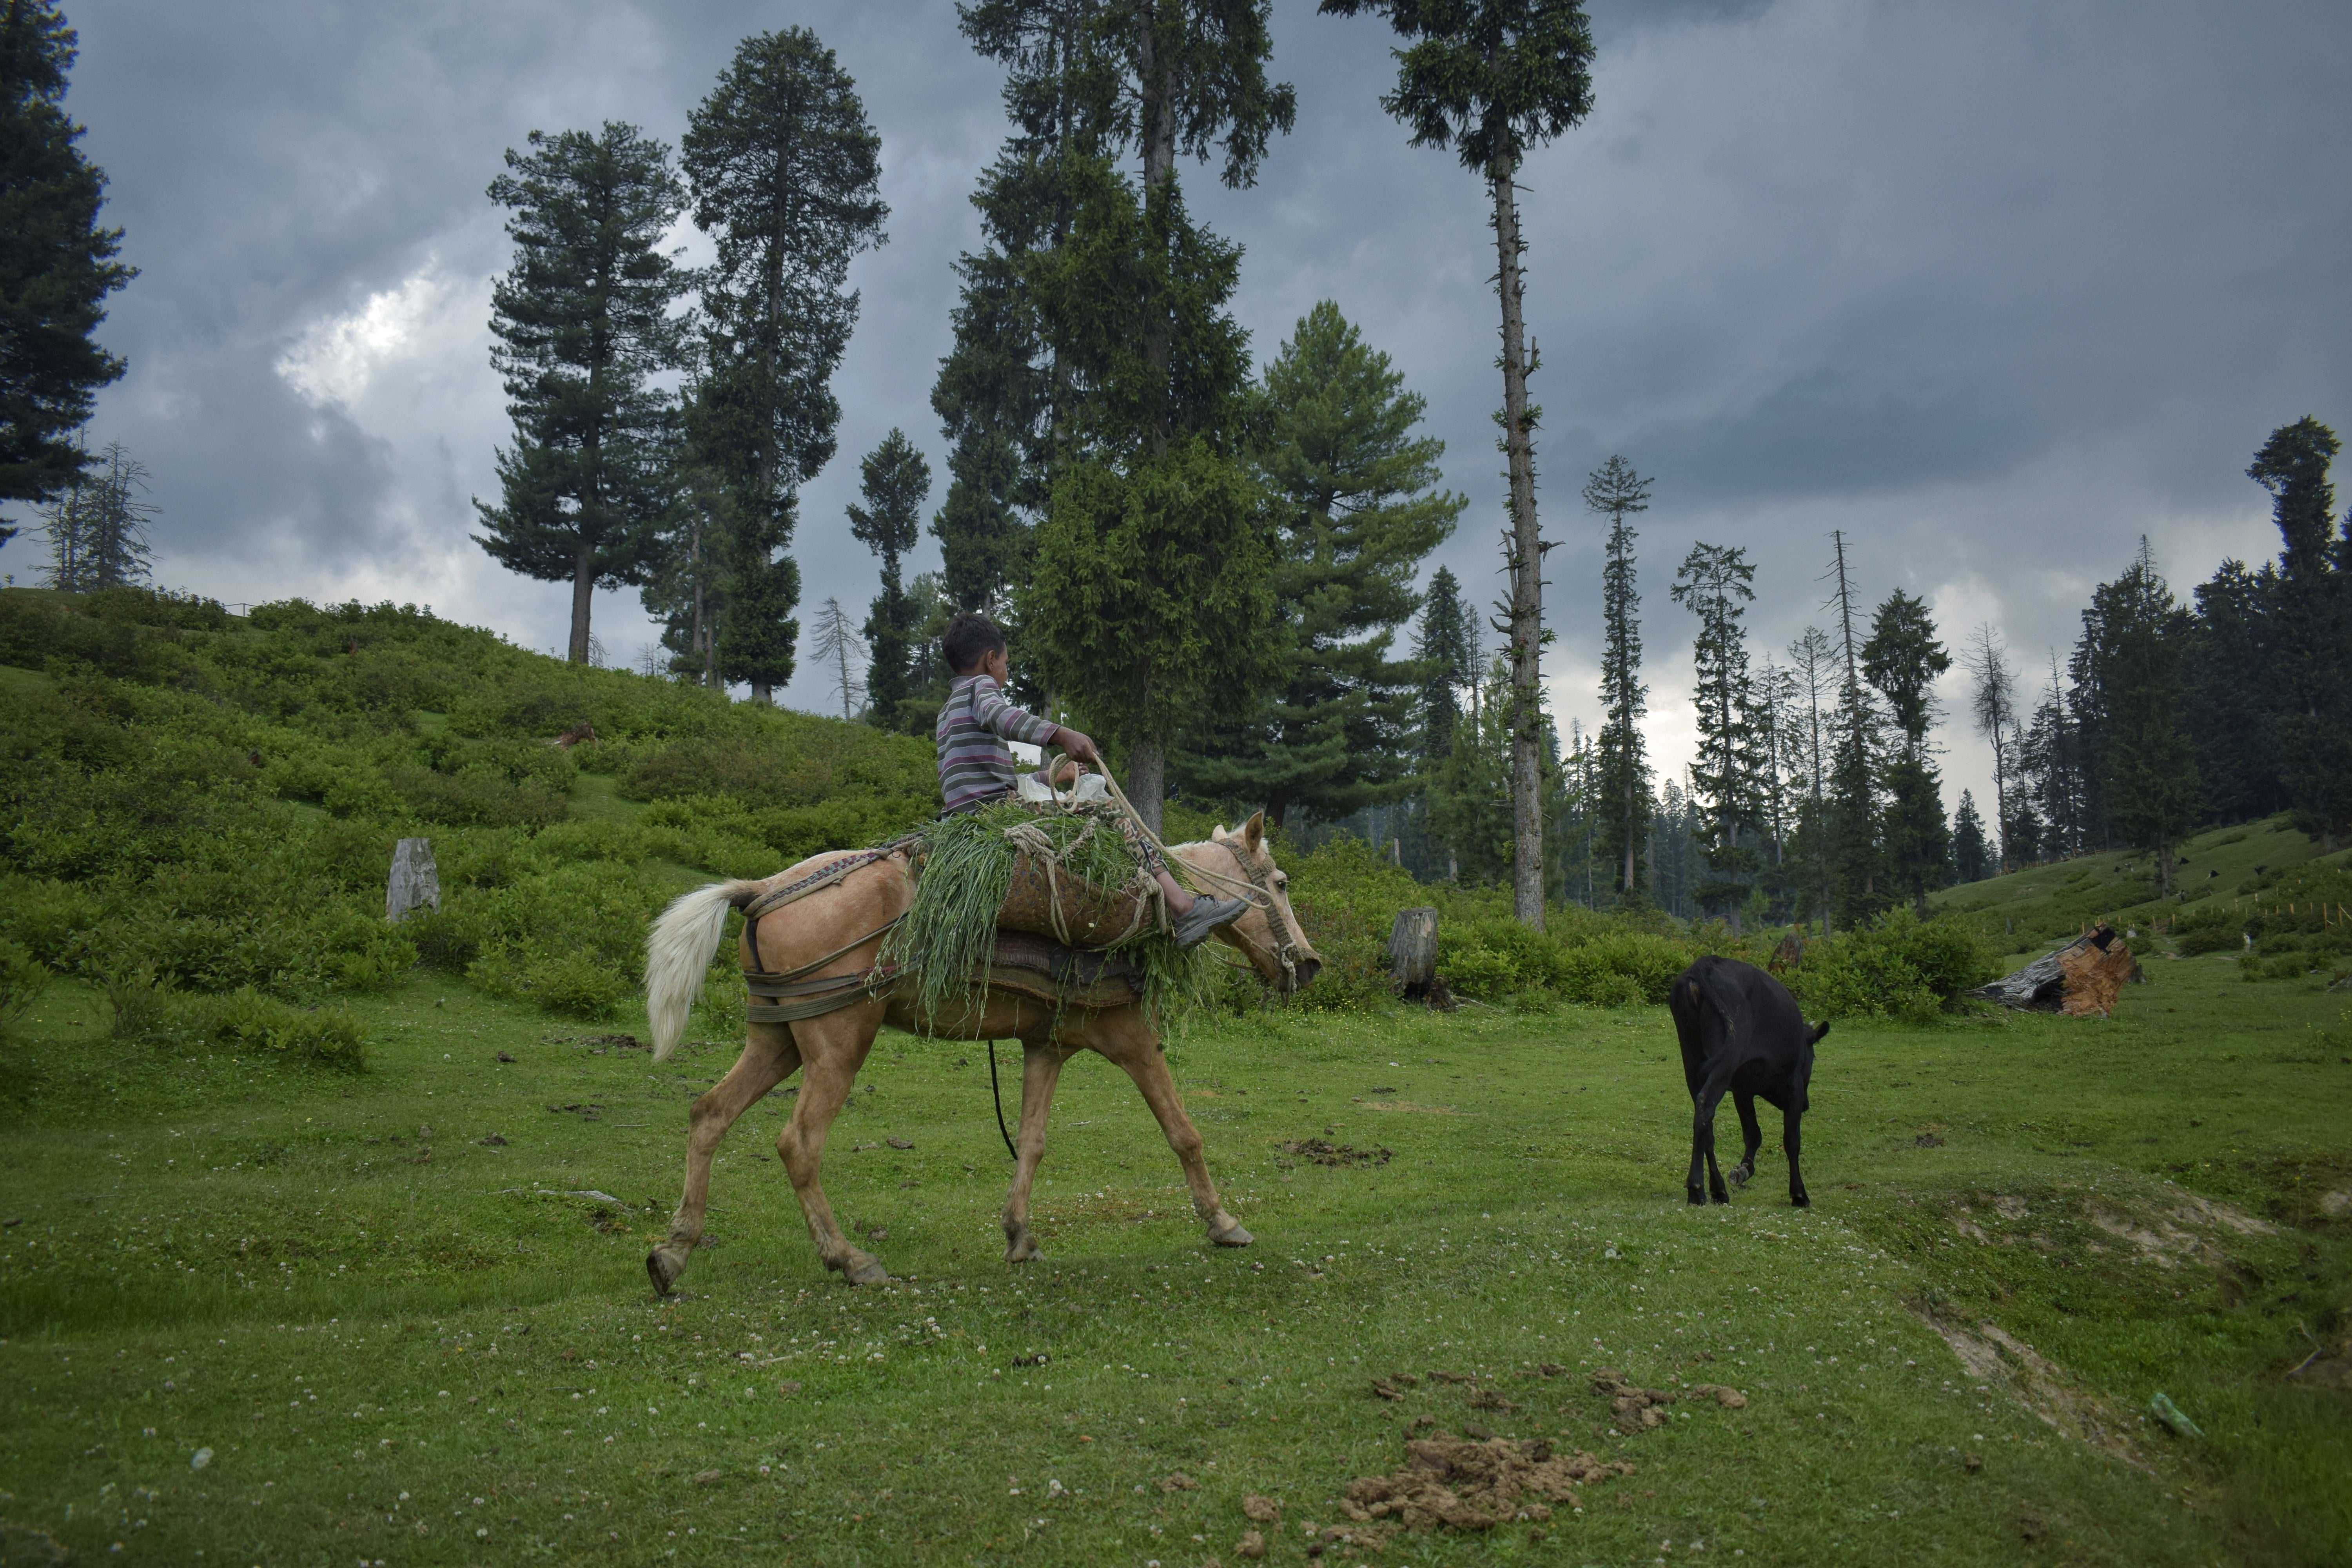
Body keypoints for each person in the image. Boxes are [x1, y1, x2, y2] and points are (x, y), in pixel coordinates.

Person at [935, 611, 1248, 949]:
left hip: (963, 817)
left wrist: (1056, 774)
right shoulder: (982, 688)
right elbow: (1001, 717)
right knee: (1111, 809)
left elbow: (990, 778)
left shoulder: (947, 710)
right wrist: (1061, 734)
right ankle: (1183, 907)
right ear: (990, 660)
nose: (1006, 676)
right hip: (994, 812)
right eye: (1006, 665)